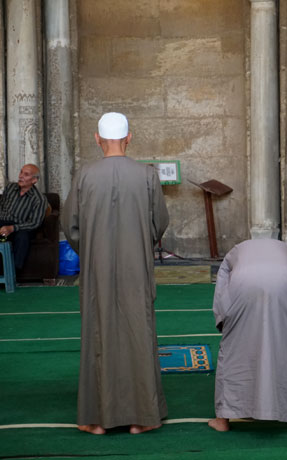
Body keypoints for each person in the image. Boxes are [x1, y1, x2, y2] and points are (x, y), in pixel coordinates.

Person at [61, 112, 169, 435]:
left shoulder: (84, 175)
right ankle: (143, 417)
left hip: (97, 271)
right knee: (139, 332)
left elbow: (71, 226)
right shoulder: (147, 175)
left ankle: (94, 419)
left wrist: (93, 250)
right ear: (129, 138)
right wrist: (139, 243)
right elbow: (159, 222)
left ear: (97, 139)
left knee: (98, 331)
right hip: (137, 269)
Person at [208, 239, 287, 432]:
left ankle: (223, 419)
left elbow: (222, 287)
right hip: (285, 283)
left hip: (242, 283)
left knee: (234, 349)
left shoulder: (235, 252)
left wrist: (223, 320)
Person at [0, 164, 48, 270]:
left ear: (34, 180)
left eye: (26, 174)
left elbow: (35, 223)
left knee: (23, 237)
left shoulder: (39, 199)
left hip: (21, 227)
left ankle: (12, 271)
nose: (21, 176)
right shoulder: (10, 188)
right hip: (2, 222)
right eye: (21, 172)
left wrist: (12, 228)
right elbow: (1, 206)